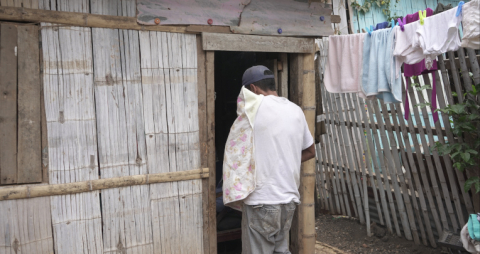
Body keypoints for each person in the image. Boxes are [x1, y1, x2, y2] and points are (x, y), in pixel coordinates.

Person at [239, 65, 316, 254]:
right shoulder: (295, 110)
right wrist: (285, 159)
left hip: (261, 200)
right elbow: (310, 151)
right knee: (281, 250)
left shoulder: (252, 109)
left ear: (253, 89)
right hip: (288, 200)